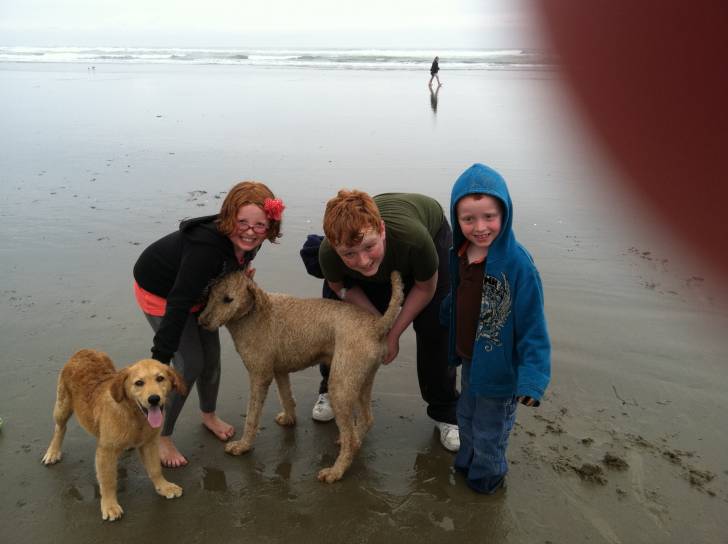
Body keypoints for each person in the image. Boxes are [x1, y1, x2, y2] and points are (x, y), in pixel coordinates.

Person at [133, 181, 285, 467]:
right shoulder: (205, 249)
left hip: (200, 293)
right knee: (190, 364)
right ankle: (160, 435)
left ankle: (209, 415)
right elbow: (179, 301)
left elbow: (237, 264)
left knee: (211, 359)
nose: (250, 232)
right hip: (162, 293)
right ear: (228, 217)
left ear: (270, 226)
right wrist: (160, 360)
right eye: (242, 222)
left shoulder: (250, 242)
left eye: (260, 225)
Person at [303, 190, 460, 452]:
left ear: (382, 230)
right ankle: (330, 388)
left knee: (435, 325)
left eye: (369, 247)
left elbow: (425, 289)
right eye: (349, 254)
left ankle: (445, 411)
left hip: (427, 237)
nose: (363, 260)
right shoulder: (329, 253)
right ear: (334, 247)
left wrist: (393, 334)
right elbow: (340, 287)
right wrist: (380, 323)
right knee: (339, 320)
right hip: (380, 253)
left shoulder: (414, 239)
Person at [443, 163, 550, 493]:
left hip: (501, 369)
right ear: (456, 219)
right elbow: (458, 295)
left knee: (491, 429)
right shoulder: (460, 253)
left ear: (505, 212)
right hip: (469, 358)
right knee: (466, 416)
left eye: (489, 216)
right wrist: (446, 316)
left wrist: (533, 378)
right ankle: (466, 462)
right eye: (468, 219)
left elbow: (533, 326)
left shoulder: (518, 264)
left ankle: (486, 480)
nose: (480, 227)